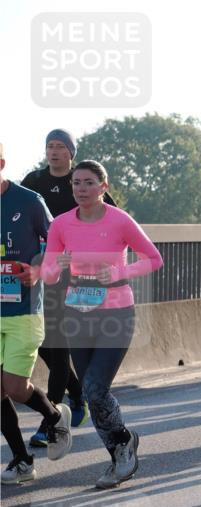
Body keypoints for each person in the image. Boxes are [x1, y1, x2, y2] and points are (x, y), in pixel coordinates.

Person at [41, 160, 163, 489]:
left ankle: (122, 445)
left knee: (95, 386)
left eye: (88, 183)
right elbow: (47, 274)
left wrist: (121, 272)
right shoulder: (62, 225)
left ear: (103, 187)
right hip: (77, 313)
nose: (81, 189)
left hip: (115, 313)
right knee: (94, 393)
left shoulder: (120, 220)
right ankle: (120, 451)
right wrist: (58, 265)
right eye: (76, 183)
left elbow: (154, 258)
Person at [22, 129, 119, 444]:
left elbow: (114, 219)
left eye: (60, 146)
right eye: (49, 145)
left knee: (59, 345)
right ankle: (77, 395)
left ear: (71, 152)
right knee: (45, 346)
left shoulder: (81, 182)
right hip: (39, 271)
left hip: (74, 277)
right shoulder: (34, 181)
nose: (54, 151)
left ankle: (50, 422)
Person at [1, 143, 73, 484]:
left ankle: (55, 415)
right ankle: (21, 459)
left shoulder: (28, 201)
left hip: (24, 311)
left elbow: (60, 246)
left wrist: (35, 270)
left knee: (15, 387)